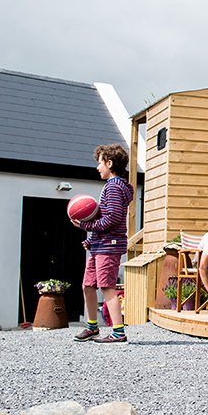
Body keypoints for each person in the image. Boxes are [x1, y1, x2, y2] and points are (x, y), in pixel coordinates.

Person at [72, 144, 134, 344]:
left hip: (109, 246)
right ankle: (92, 327)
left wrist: (85, 225)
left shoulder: (114, 187)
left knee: (107, 287)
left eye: (100, 163)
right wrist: (91, 240)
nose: (97, 167)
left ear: (110, 163)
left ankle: (118, 332)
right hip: (100, 245)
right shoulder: (113, 186)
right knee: (88, 285)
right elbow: (106, 218)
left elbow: (113, 218)